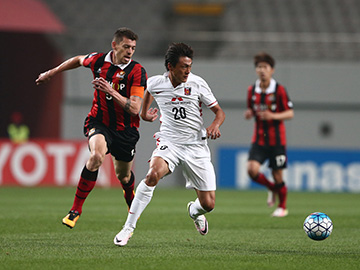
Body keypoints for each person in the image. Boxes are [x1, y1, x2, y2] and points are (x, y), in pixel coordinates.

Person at [113, 42, 225, 246]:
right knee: (152, 175)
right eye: (183, 66)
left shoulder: (197, 83)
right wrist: (145, 114)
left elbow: (220, 112)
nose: (187, 71)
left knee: (208, 204)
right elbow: (147, 95)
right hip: (170, 142)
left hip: (196, 146)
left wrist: (215, 125)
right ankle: (128, 228)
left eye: (190, 66)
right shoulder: (156, 83)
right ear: (170, 67)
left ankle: (193, 210)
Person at [35, 27, 147, 228]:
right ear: (114, 45)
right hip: (99, 122)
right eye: (126, 47)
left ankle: (129, 194)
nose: (130, 52)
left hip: (125, 130)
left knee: (124, 175)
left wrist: (110, 91)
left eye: (133, 48)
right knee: (96, 156)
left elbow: (135, 108)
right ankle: (75, 209)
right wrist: (51, 72)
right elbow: (78, 60)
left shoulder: (137, 71)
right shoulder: (97, 60)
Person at [244, 52, 294, 217]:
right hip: (258, 139)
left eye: (265, 67)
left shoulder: (279, 90)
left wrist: (273, 116)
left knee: (277, 174)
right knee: (251, 170)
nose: (262, 70)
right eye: (259, 67)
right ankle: (272, 188)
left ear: (272, 70)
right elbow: (252, 108)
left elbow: (290, 113)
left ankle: (282, 207)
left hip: (276, 139)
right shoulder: (252, 90)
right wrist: (250, 113)